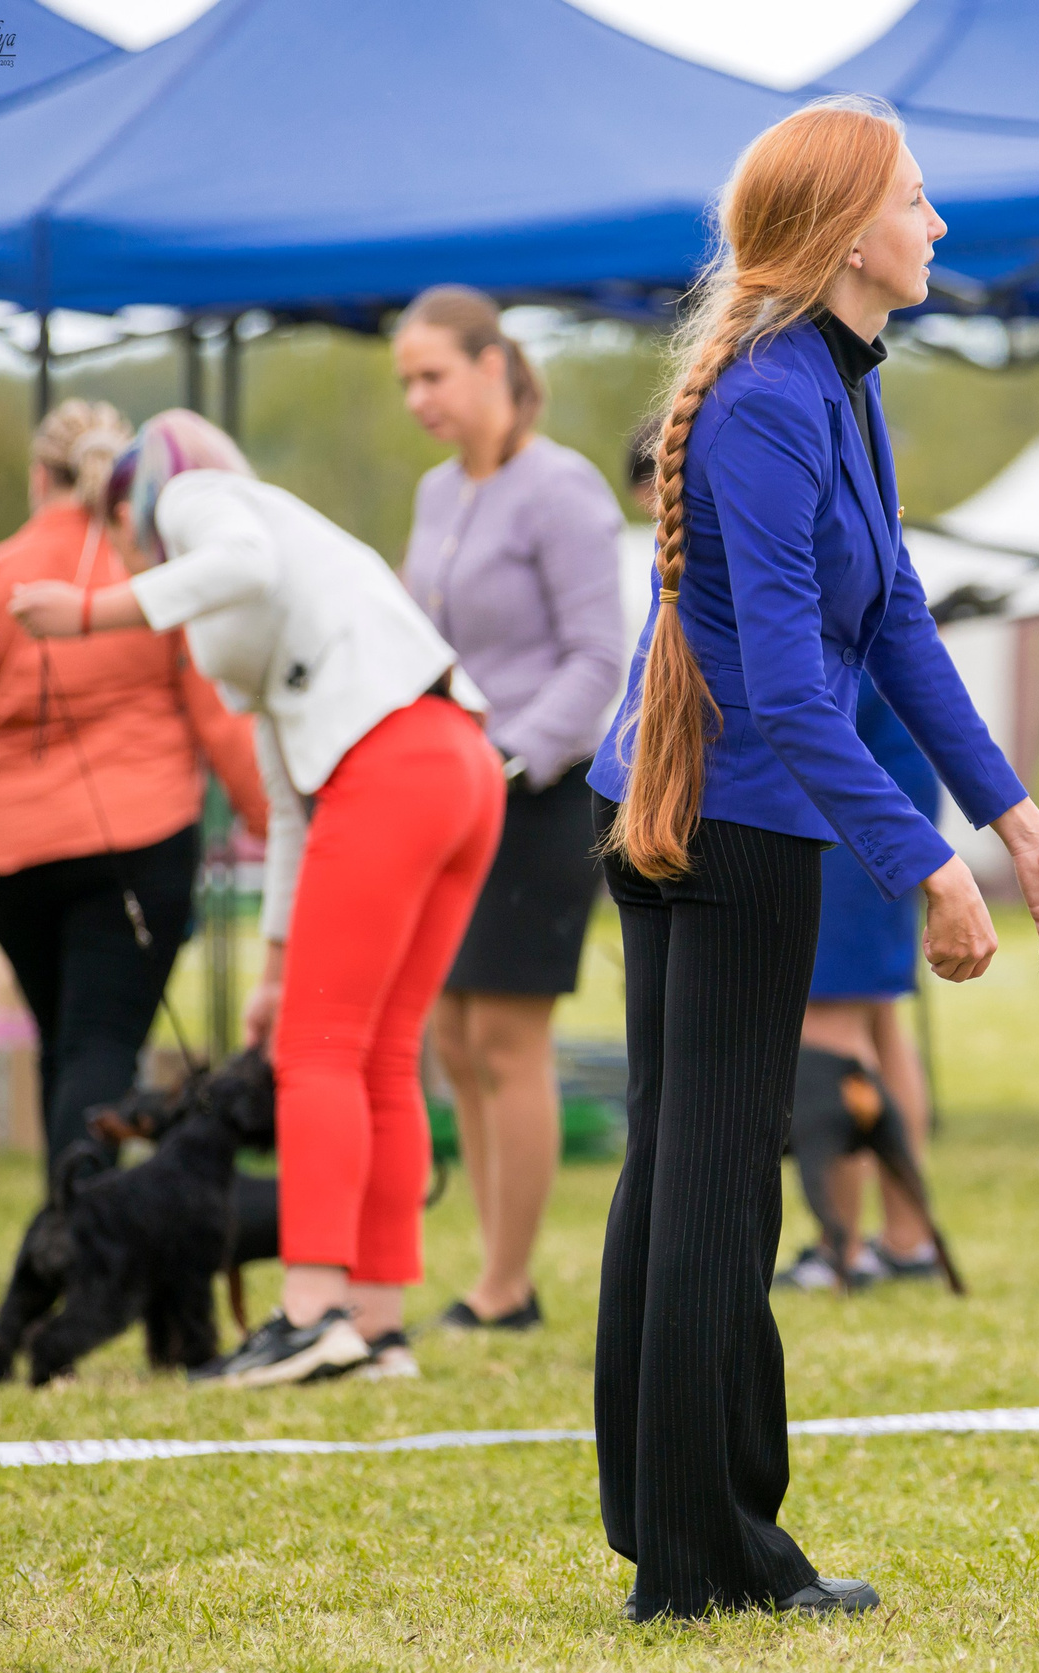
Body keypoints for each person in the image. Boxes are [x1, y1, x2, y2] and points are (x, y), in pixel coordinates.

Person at [586, 95, 1039, 1622]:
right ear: (846, 234)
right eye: (916, 199)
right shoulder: (769, 399)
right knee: (711, 1185)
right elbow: (786, 690)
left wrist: (1016, 825)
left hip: (725, 807)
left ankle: (677, 1530)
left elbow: (893, 625)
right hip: (723, 823)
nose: (938, 223)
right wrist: (924, 863)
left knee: (692, 1173)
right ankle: (701, 1556)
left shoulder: (833, 381)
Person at [7, 409, 505, 1388]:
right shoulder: (273, 561)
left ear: (135, 501)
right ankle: (376, 1325)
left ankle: (310, 1313)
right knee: (379, 1055)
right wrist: (276, 971)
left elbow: (237, 565)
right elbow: (284, 797)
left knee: (318, 1055)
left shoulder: (202, 501)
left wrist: (93, 613)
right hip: (459, 765)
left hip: (389, 763)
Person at [0, 399, 266, 1191]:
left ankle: (67, 1218)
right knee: (101, 1045)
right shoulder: (154, 577)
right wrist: (271, 822)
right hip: (139, 843)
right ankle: (84, 1219)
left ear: (38, 477)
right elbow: (220, 720)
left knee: (63, 1042)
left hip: (10, 856)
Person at [393, 285, 628, 1333]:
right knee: (449, 1032)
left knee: (505, 1037)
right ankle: (494, 1269)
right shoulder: (435, 493)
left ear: (494, 365)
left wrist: (507, 755)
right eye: (405, 381)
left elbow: (599, 659)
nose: (417, 398)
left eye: (432, 375)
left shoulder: (561, 488)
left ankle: (507, 1283)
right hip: (451, 791)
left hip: (540, 794)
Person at [773, 674, 944, 1291]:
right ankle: (905, 1241)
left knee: (829, 1021)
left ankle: (840, 1249)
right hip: (880, 774)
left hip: (852, 785)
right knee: (876, 1017)